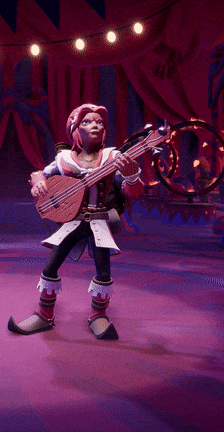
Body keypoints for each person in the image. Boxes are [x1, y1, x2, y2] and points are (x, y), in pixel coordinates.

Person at [8, 104, 143, 340]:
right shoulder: (64, 159)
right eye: (87, 122)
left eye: (100, 122)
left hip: (99, 221)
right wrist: (38, 183)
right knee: (50, 267)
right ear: (75, 129)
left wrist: (132, 176)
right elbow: (40, 174)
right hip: (72, 220)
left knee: (103, 273)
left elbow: (133, 192)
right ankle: (44, 315)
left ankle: (98, 316)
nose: (95, 126)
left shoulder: (112, 157)